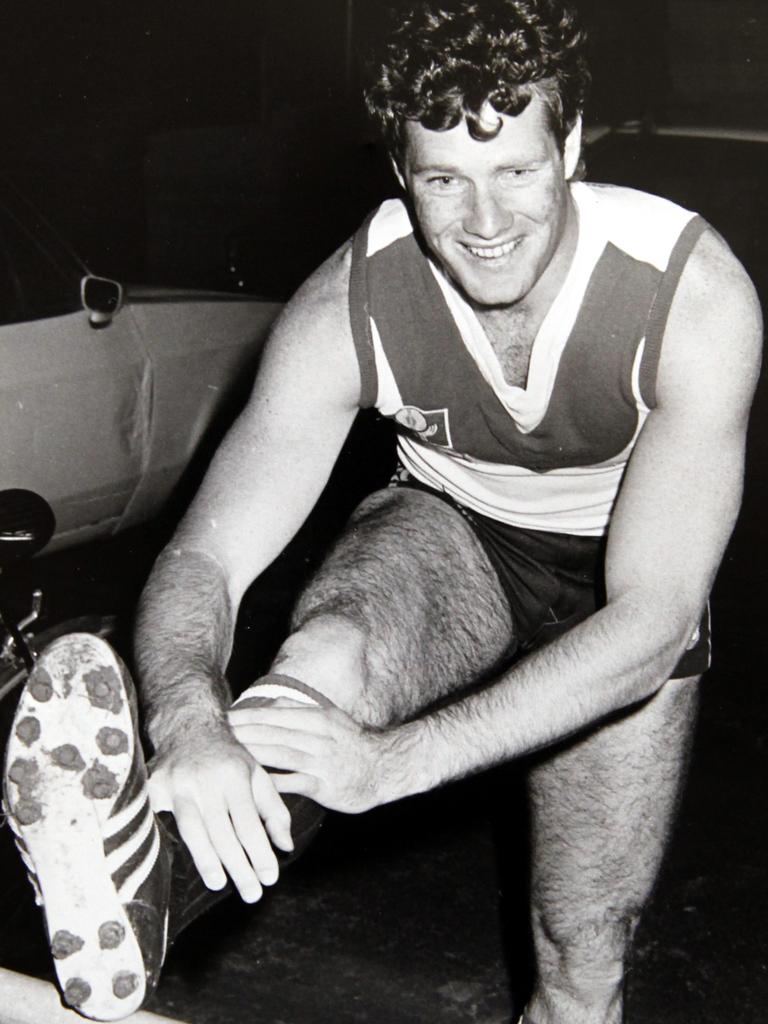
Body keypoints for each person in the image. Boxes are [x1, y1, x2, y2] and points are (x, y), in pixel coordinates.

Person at [2, 1, 761, 1022]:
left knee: (580, 955)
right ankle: (147, 872)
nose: (485, 226)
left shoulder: (691, 294)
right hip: (459, 531)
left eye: (517, 173)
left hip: (624, 594)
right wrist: (185, 719)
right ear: (402, 172)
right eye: (445, 179)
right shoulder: (349, 304)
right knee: (325, 659)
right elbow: (207, 558)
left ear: (573, 147)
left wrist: (393, 763)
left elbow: (656, 616)